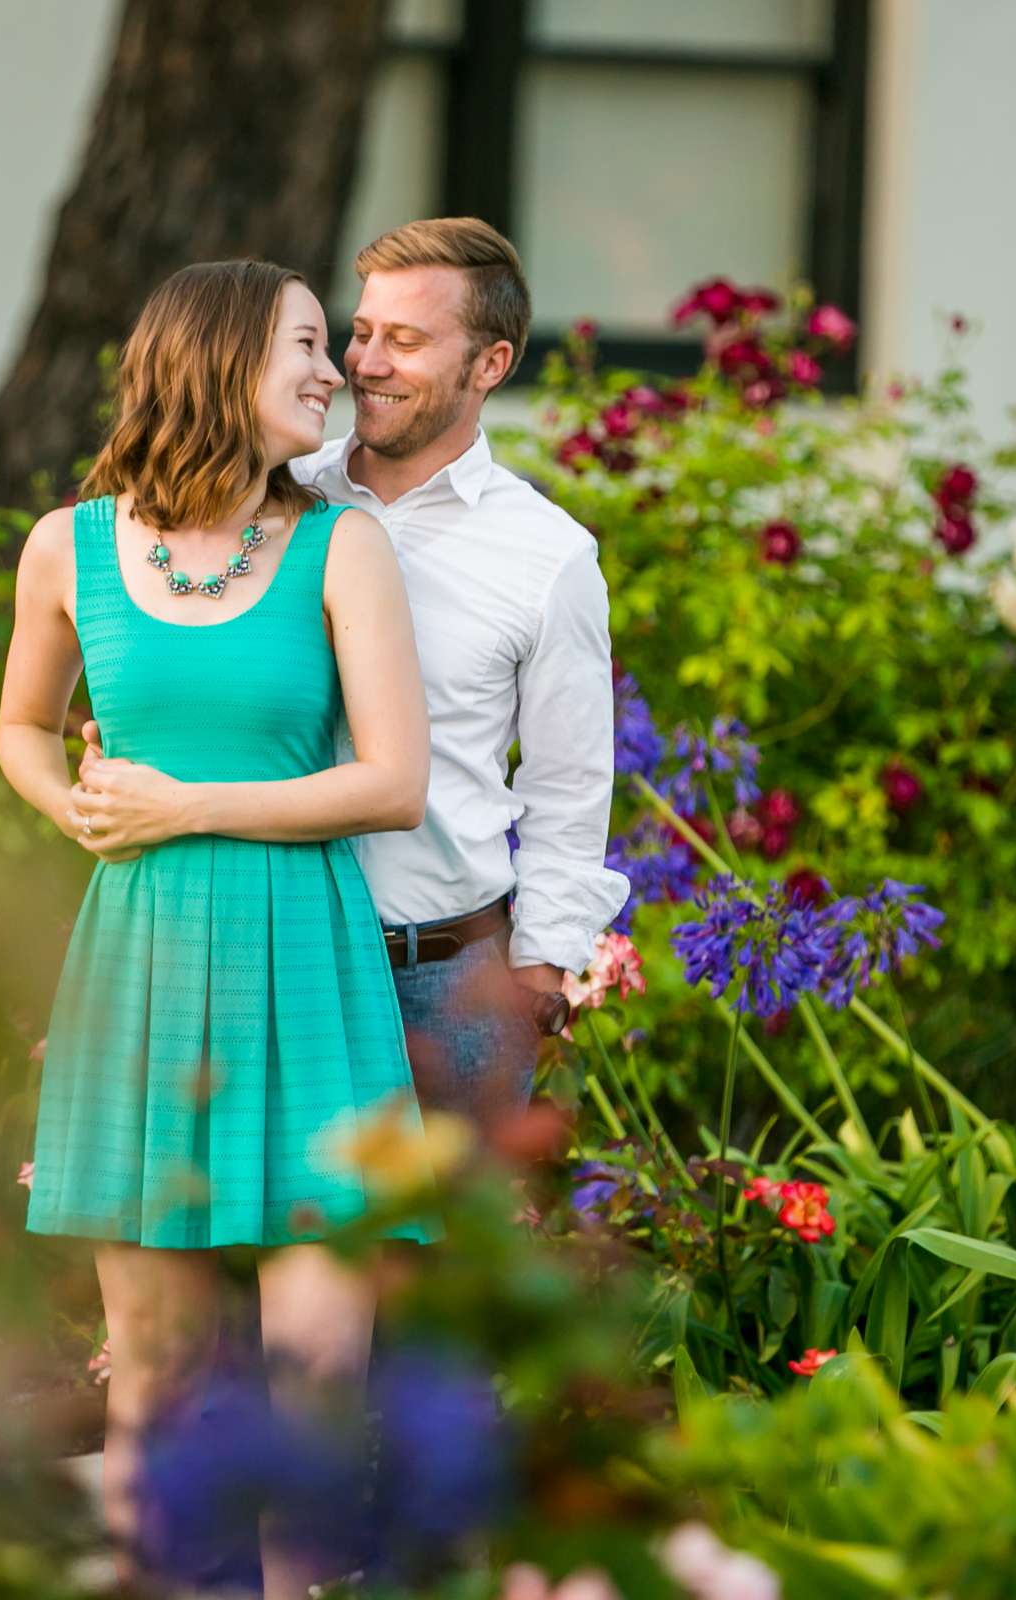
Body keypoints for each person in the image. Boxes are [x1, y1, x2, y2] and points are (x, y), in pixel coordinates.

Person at [0, 259, 434, 1599]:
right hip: (137, 968)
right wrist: (71, 810)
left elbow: (392, 782)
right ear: (219, 359)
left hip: (307, 975)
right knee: (155, 1389)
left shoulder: (340, 545)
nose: (334, 371)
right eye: (307, 344)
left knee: (312, 1396)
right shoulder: (68, 547)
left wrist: (185, 803)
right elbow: (19, 726)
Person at [85, 218, 628, 1134]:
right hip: (260, 945)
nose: (364, 364)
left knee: (445, 1276)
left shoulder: (547, 556)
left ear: (490, 365)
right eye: (362, 331)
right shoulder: (271, 495)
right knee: (257, 1259)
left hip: (440, 978)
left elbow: (570, 791)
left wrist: (537, 977)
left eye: (406, 341)